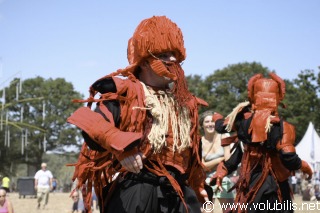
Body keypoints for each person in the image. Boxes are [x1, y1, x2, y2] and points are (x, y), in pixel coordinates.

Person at [67, 15, 208, 213]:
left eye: (175, 54)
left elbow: (193, 157)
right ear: (144, 62)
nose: (173, 60)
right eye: (165, 54)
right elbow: (87, 120)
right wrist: (122, 148)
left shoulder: (187, 103)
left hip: (179, 195)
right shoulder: (125, 92)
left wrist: (200, 191)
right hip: (136, 193)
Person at [209, 73, 313, 212]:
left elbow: (224, 130)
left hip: (251, 184)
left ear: (252, 96)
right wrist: (304, 166)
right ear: (279, 97)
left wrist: (217, 117)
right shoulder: (281, 127)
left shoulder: (243, 122)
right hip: (275, 187)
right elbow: (288, 157)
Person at [199, 110, 234, 212]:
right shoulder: (199, 142)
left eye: (213, 121)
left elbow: (228, 162)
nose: (210, 124)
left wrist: (209, 164)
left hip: (224, 180)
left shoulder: (224, 136)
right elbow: (202, 167)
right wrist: (220, 159)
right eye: (207, 122)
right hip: (205, 182)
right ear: (202, 125)